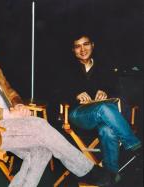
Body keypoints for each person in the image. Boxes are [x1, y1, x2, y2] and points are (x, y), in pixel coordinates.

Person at [0, 27, 118, 187]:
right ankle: (88, 171)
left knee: (42, 150)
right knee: (40, 125)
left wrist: (18, 105)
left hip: (12, 126)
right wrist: (8, 114)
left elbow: (11, 92)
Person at [63, 33, 142, 176]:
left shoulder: (104, 68)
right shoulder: (65, 69)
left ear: (92, 45)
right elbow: (55, 93)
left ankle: (111, 175)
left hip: (105, 118)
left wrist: (105, 91)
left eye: (85, 44)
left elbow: (116, 90)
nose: (82, 49)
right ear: (73, 50)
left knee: (108, 131)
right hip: (78, 114)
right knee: (104, 108)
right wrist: (75, 94)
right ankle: (135, 146)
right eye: (77, 46)